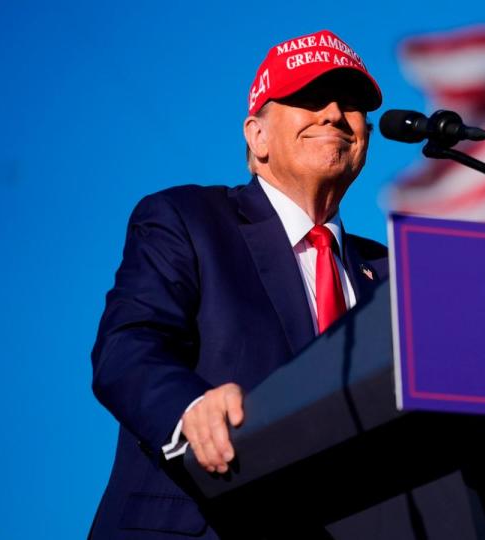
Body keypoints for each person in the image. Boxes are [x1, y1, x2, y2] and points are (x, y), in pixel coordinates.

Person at [89, 30, 388, 538]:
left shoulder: (391, 275)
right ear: (258, 135)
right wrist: (188, 408)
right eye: (311, 99)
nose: (335, 114)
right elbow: (127, 346)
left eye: (352, 104)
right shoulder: (187, 219)